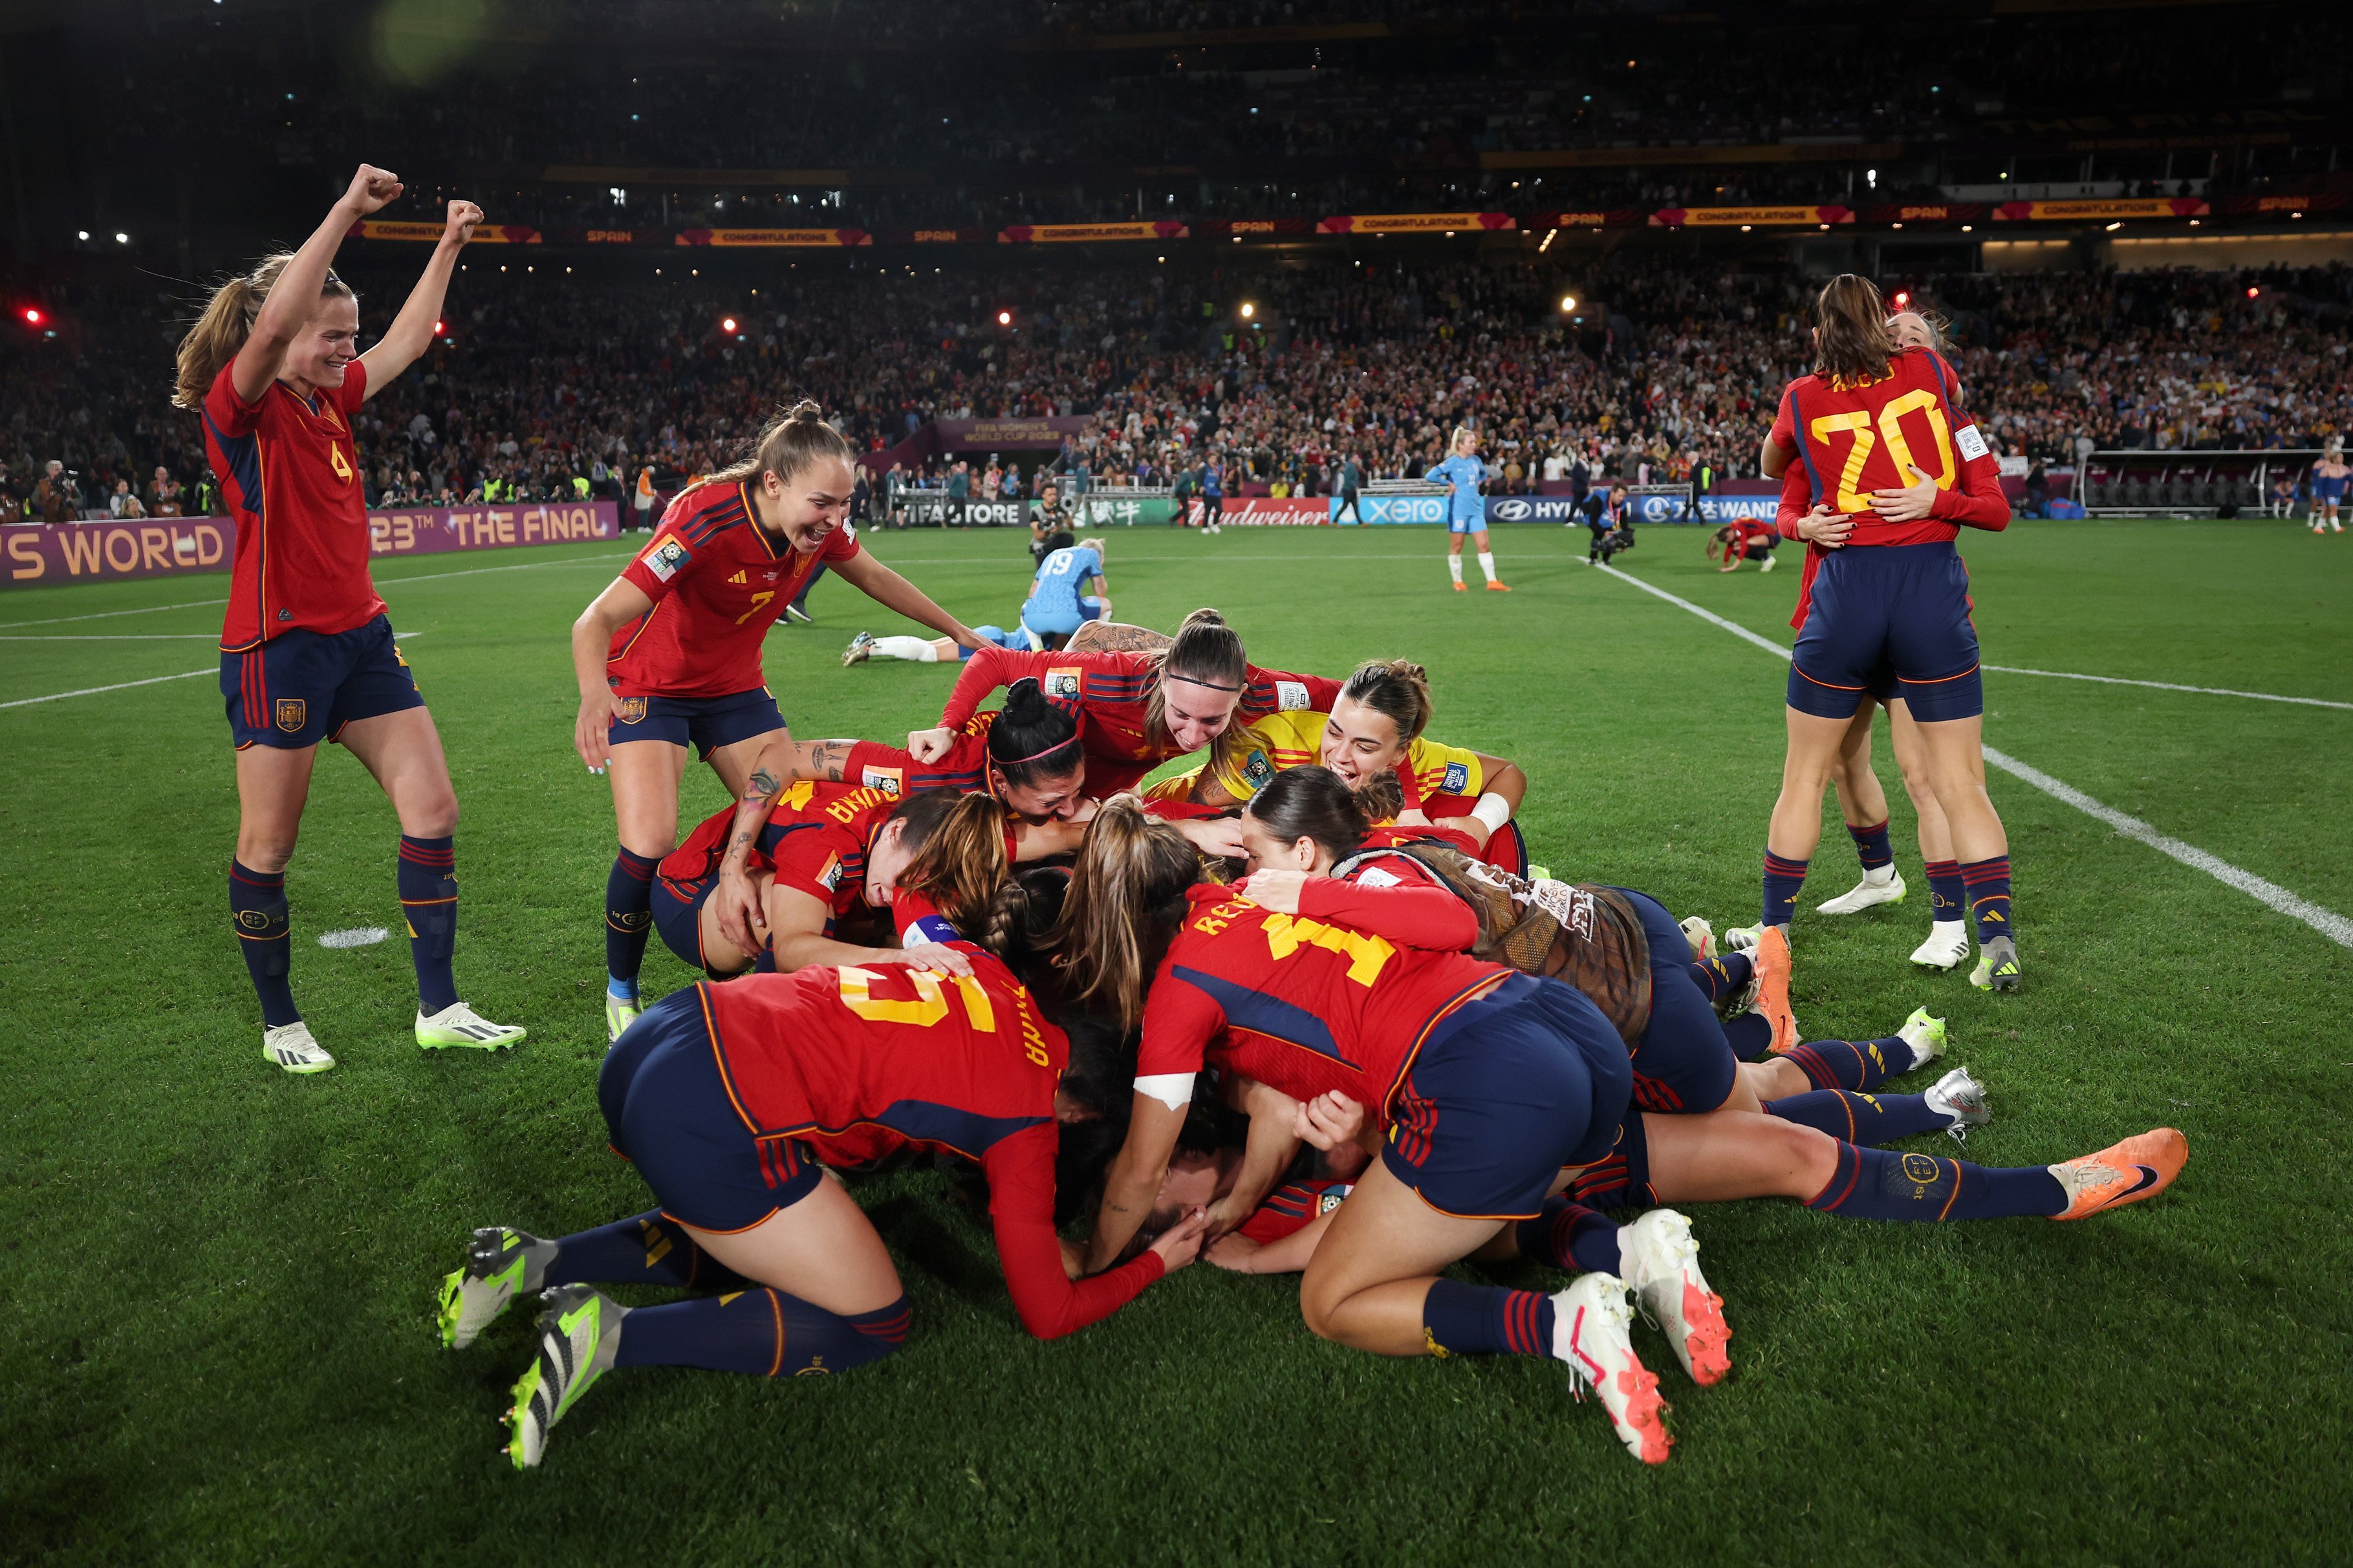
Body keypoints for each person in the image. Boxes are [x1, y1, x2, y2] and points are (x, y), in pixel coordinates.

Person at [435, 806, 1204, 1469]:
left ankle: (530, 1260)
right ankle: (608, 1335)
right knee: (875, 1318)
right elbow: (1049, 1314)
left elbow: (914, 890)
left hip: (670, 1029)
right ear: (1080, 1113)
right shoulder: (1029, 1125)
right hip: (714, 1105)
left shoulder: (982, 967)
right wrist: (1154, 1263)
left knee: (776, 1213)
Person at [1064, 801, 1670, 1464]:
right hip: (1567, 1024)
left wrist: (1095, 1263)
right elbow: (1454, 922)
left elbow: (1141, 1170)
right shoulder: (1262, 888)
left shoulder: (1180, 987)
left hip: (1487, 1073)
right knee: (1488, 1229)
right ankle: (1631, 1252)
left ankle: (1564, 1323)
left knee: (1331, 1300)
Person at [172, 165, 519, 1073]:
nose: (342, 351)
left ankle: (439, 1007)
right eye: (331, 337)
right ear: (276, 335)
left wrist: (447, 245)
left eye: (347, 337)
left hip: (361, 638)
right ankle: (281, 1020)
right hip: (276, 651)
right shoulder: (239, 410)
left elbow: (405, 343)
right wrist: (343, 213)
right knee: (269, 845)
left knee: (433, 807)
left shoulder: (328, 403)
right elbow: (280, 320)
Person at [570, 401, 984, 1044]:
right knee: (649, 841)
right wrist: (593, 694)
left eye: (846, 506)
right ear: (772, 484)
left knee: (785, 805)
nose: (835, 521)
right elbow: (594, 620)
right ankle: (620, 991)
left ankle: (776, 942)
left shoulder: (818, 529)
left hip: (734, 686)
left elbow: (872, 574)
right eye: (823, 503)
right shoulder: (704, 517)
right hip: (650, 683)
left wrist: (957, 632)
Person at [1748, 276, 2019, 991]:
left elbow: (1774, 463)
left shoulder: (1803, 398)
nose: (1908, 338)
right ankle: (1986, 934)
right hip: (1923, 593)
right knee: (1944, 780)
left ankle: (1776, 933)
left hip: (1844, 596)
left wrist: (1938, 495)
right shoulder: (1929, 377)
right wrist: (1797, 523)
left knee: (1825, 776)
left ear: (1816, 331)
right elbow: (1787, 493)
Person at [913, 607, 1338, 808]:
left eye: (1212, 720)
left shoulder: (1265, 691)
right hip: (1063, 753)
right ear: (1164, 682)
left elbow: (1342, 695)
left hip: (1113, 774)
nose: (1191, 737)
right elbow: (996, 660)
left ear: (1241, 694)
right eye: (1182, 715)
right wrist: (948, 727)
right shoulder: (1112, 680)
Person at [1142, 658, 1531, 872]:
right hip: (1170, 815)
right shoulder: (1275, 745)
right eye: (1334, 732)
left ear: (1400, 754)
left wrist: (1480, 825)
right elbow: (1195, 812)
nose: (1339, 756)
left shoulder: (1423, 763)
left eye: (1364, 746)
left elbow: (1507, 774)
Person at [846, 532, 1109, 664]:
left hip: (999, 636)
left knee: (928, 648)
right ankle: (872, 647)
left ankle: (873, 644)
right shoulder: (1070, 620)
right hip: (995, 643)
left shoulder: (1050, 611)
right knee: (928, 653)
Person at [1426, 425, 1507, 592]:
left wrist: (1480, 481)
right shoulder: (1452, 462)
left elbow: (1483, 474)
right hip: (1458, 511)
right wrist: (1447, 483)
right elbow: (1430, 476)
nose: (1474, 445)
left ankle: (1492, 582)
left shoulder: (1476, 460)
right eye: (1471, 442)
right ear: (1461, 445)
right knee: (1457, 546)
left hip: (1475, 510)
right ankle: (1458, 582)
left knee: (1484, 545)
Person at [2312, 442, 2347, 535]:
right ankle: (2337, 527)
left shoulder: (2344, 469)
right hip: (2329, 492)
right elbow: (2320, 482)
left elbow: (2350, 479)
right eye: (2339, 457)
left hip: (2337, 492)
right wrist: (2319, 493)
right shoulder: (2327, 468)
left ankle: (2318, 527)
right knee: (2333, 509)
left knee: (2327, 511)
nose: (2342, 458)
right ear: (2334, 459)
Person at [1334, 451, 1364, 524]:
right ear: (1352, 458)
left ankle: (1361, 522)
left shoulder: (1351, 466)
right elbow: (1347, 479)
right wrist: (1355, 486)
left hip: (1351, 489)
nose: (1358, 460)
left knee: (1355, 506)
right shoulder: (1350, 466)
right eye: (1356, 458)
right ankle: (1335, 521)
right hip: (1349, 489)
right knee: (1345, 505)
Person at [631, 464, 656, 532]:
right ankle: (643, 527)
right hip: (643, 497)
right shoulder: (643, 477)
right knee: (645, 512)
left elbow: (647, 487)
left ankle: (642, 527)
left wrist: (652, 491)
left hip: (645, 497)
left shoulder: (645, 477)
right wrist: (651, 493)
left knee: (644, 512)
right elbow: (643, 490)